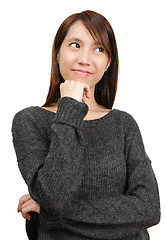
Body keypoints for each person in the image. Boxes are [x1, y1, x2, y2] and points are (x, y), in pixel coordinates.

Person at [11, 10, 160, 240]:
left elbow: (148, 208)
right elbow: (55, 197)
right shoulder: (30, 121)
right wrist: (69, 106)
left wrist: (53, 215)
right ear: (58, 54)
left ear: (108, 62)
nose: (85, 59)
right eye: (75, 45)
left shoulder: (123, 124)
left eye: (99, 49)